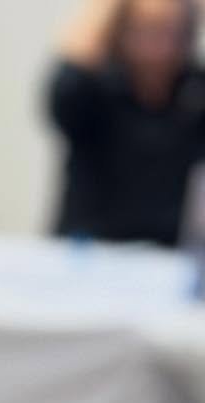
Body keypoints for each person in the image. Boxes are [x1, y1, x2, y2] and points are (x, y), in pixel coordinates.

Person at [49, 0, 205, 245]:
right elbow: (65, 86)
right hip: (89, 255)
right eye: (147, 31)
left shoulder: (194, 92)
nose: (159, 47)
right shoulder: (94, 89)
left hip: (170, 262)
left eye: (171, 31)